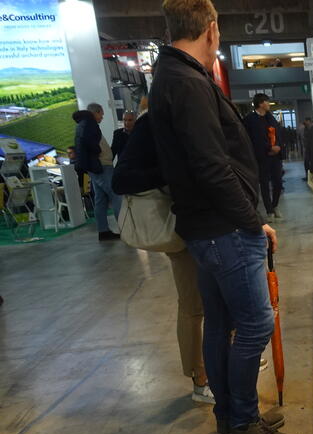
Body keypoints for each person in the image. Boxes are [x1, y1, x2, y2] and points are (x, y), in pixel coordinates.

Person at [149, 0, 298, 434]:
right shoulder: (188, 82)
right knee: (255, 324)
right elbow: (213, 167)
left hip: (205, 228)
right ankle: (244, 422)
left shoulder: (170, 78)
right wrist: (253, 222)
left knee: (220, 324)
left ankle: (230, 419)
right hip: (224, 229)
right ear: (211, 29)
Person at [111, 106, 213, 404]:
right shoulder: (153, 123)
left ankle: (224, 364)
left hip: (213, 222)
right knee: (193, 305)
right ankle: (200, 378)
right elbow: (122, 180)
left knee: (222, 300)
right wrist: (172, 172)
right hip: (180, 229)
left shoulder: (191, 114)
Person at [72, 102, 121, 240]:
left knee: (100, 200)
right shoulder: (89, 124)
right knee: (116, 195)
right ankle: (125, 228)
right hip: (101, 166)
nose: (102, 117)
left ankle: (103, 231)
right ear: (96, 112)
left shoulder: (82, 124)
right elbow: (91, 144)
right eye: (101, 114)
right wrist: (99, 151)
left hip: (95, 167)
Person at [243, 93, 284, 221]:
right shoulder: (250, 119)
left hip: (275, 156)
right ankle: (269, 211)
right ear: (260, 103)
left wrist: (278, 146)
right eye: (267, 102)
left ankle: (275, 205)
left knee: (278, 181)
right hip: (262, 157)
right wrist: (268, 148)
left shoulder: (270, 117)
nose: (268, 104)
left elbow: (278, 132)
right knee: (264, 183)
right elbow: (253, 139)